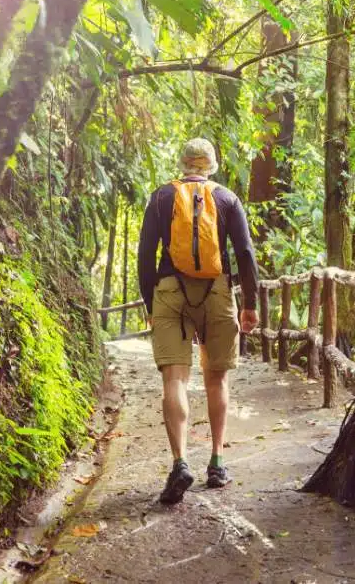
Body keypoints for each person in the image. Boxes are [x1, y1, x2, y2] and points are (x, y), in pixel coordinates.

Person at [137, 138, 259, 505]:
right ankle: (218, 462)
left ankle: (180, 463)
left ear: (183, 164)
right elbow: (245, 252)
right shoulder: (227, 199)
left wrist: (150, 302)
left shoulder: (160, 198)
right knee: (216, 377)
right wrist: (249, 303)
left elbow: (145, 256)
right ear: (211, 165)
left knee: (174, 378)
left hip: (169, 291)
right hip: (217, 292)